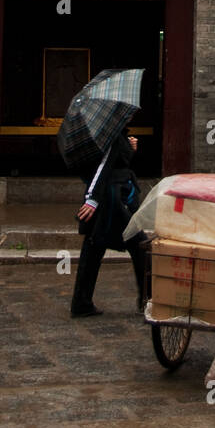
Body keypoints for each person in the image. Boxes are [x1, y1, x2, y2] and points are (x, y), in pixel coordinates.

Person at [71, 129, 148, 318]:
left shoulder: (116, 133)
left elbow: (117, 163)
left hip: (110, 196)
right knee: (139, 244)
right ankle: (147, 300)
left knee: (94, 246)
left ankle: (82, 303)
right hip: (111, 200)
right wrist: (92, 198)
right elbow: (103, 167)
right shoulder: (111, 134)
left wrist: (130, 150)